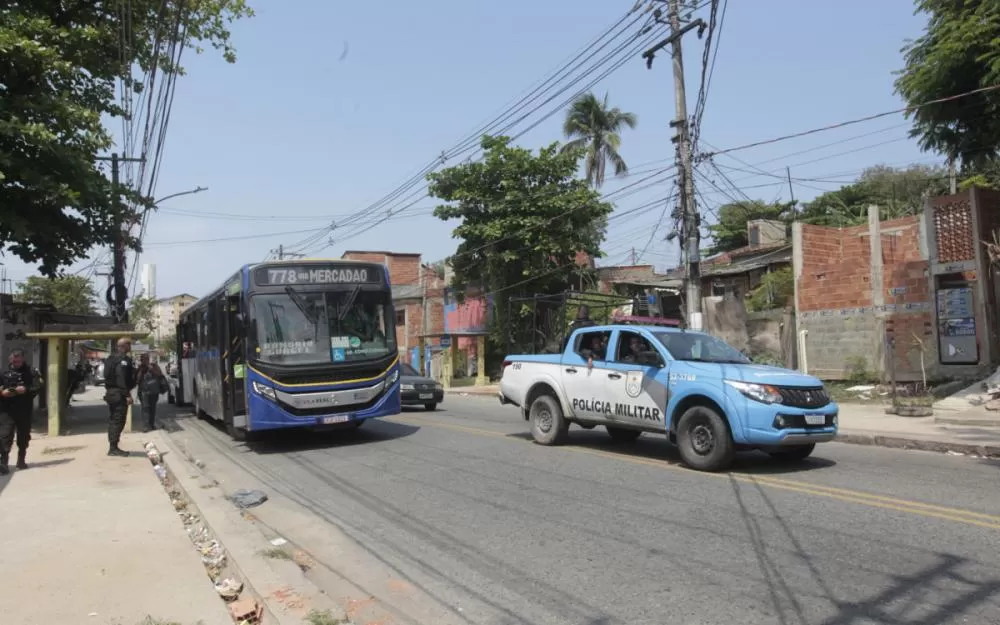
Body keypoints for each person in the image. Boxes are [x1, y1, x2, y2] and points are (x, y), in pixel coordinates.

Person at [0, 349, 37, 473]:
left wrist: (26, 389)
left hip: (24, 409)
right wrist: (2, 392)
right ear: (10, 360)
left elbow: (38, 386)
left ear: (23, 359)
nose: (16, 363)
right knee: (4, 436)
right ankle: (3, 463)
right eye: (14, 361)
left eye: (19, 361)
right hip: (7, 410)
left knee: (23, 436)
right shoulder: (4, 373)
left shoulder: (31, 372)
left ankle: (21, 460)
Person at [103, 338, 136, 457]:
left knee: (114, 419)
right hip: (119, 394)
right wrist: (127, 394)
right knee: (118, 420)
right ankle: (113, 448)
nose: (130, 347)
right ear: (124, 346)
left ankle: (113, 446)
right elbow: (120, 377)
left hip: (111, 393)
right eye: (129, 344)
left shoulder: (110, 359)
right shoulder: (122, 360)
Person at [136, 353, 167, 432]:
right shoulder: (140, 368)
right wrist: (142, 370)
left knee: (152, 408)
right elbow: (137, 380)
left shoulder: (154, 366)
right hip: (143, 391)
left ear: (149, 359)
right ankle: (145, 426)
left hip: (154, 391)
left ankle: (151, 424)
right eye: (143, 359)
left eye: (146, 359)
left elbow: (159, 375)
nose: (145, 361)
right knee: (145, 408)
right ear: (141, 360)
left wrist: (151, 369)